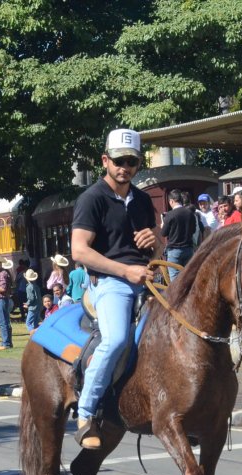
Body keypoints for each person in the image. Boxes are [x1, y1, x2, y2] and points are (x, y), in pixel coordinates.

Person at [70, 128, 158, 449]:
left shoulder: (143, 200)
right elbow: (79, 251)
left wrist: (156, 242)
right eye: (119, 161)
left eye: (131, 162)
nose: (125, 167)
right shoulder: (91, 198)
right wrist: (125, 271)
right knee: (117, 339)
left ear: (138, 164)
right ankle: (85, 414)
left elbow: (157, 249)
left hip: (148, 279)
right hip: (110, 283)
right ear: (105, 160)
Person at [161, 188, 196, 280]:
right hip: (188, 249)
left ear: (171, 201)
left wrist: (162, 224)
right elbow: (193, 230)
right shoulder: (190, 213)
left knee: (175, 279)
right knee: (189, 277)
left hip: (174, 250)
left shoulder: (170, 215)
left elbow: (163, 233)